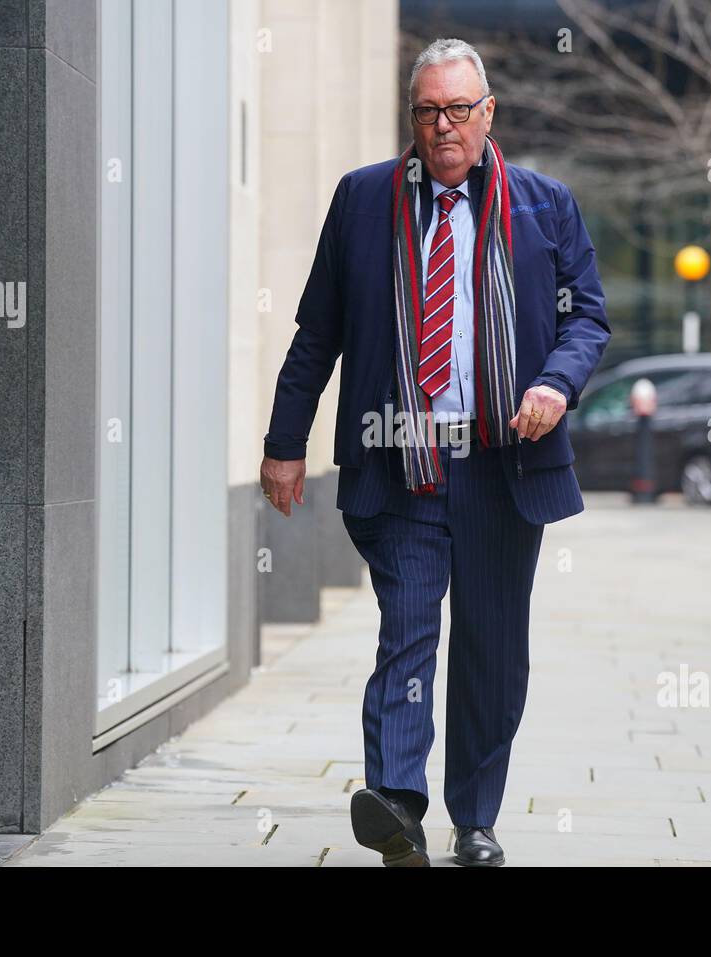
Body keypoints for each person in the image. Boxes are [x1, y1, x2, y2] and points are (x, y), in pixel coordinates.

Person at [259, 37, 610, 866]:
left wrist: (556, 383)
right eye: (428, 110)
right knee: (407, 631)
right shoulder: (363, 200)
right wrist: (284, 443)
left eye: (460, 109)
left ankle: (476, 818)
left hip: (503, 464)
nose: (444, 125)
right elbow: (320, 332)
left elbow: (586, 316)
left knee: (491, 646)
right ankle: (397, 802)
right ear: (410, 118)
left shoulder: (544, 204)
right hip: (401, 461)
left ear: (489, 114)